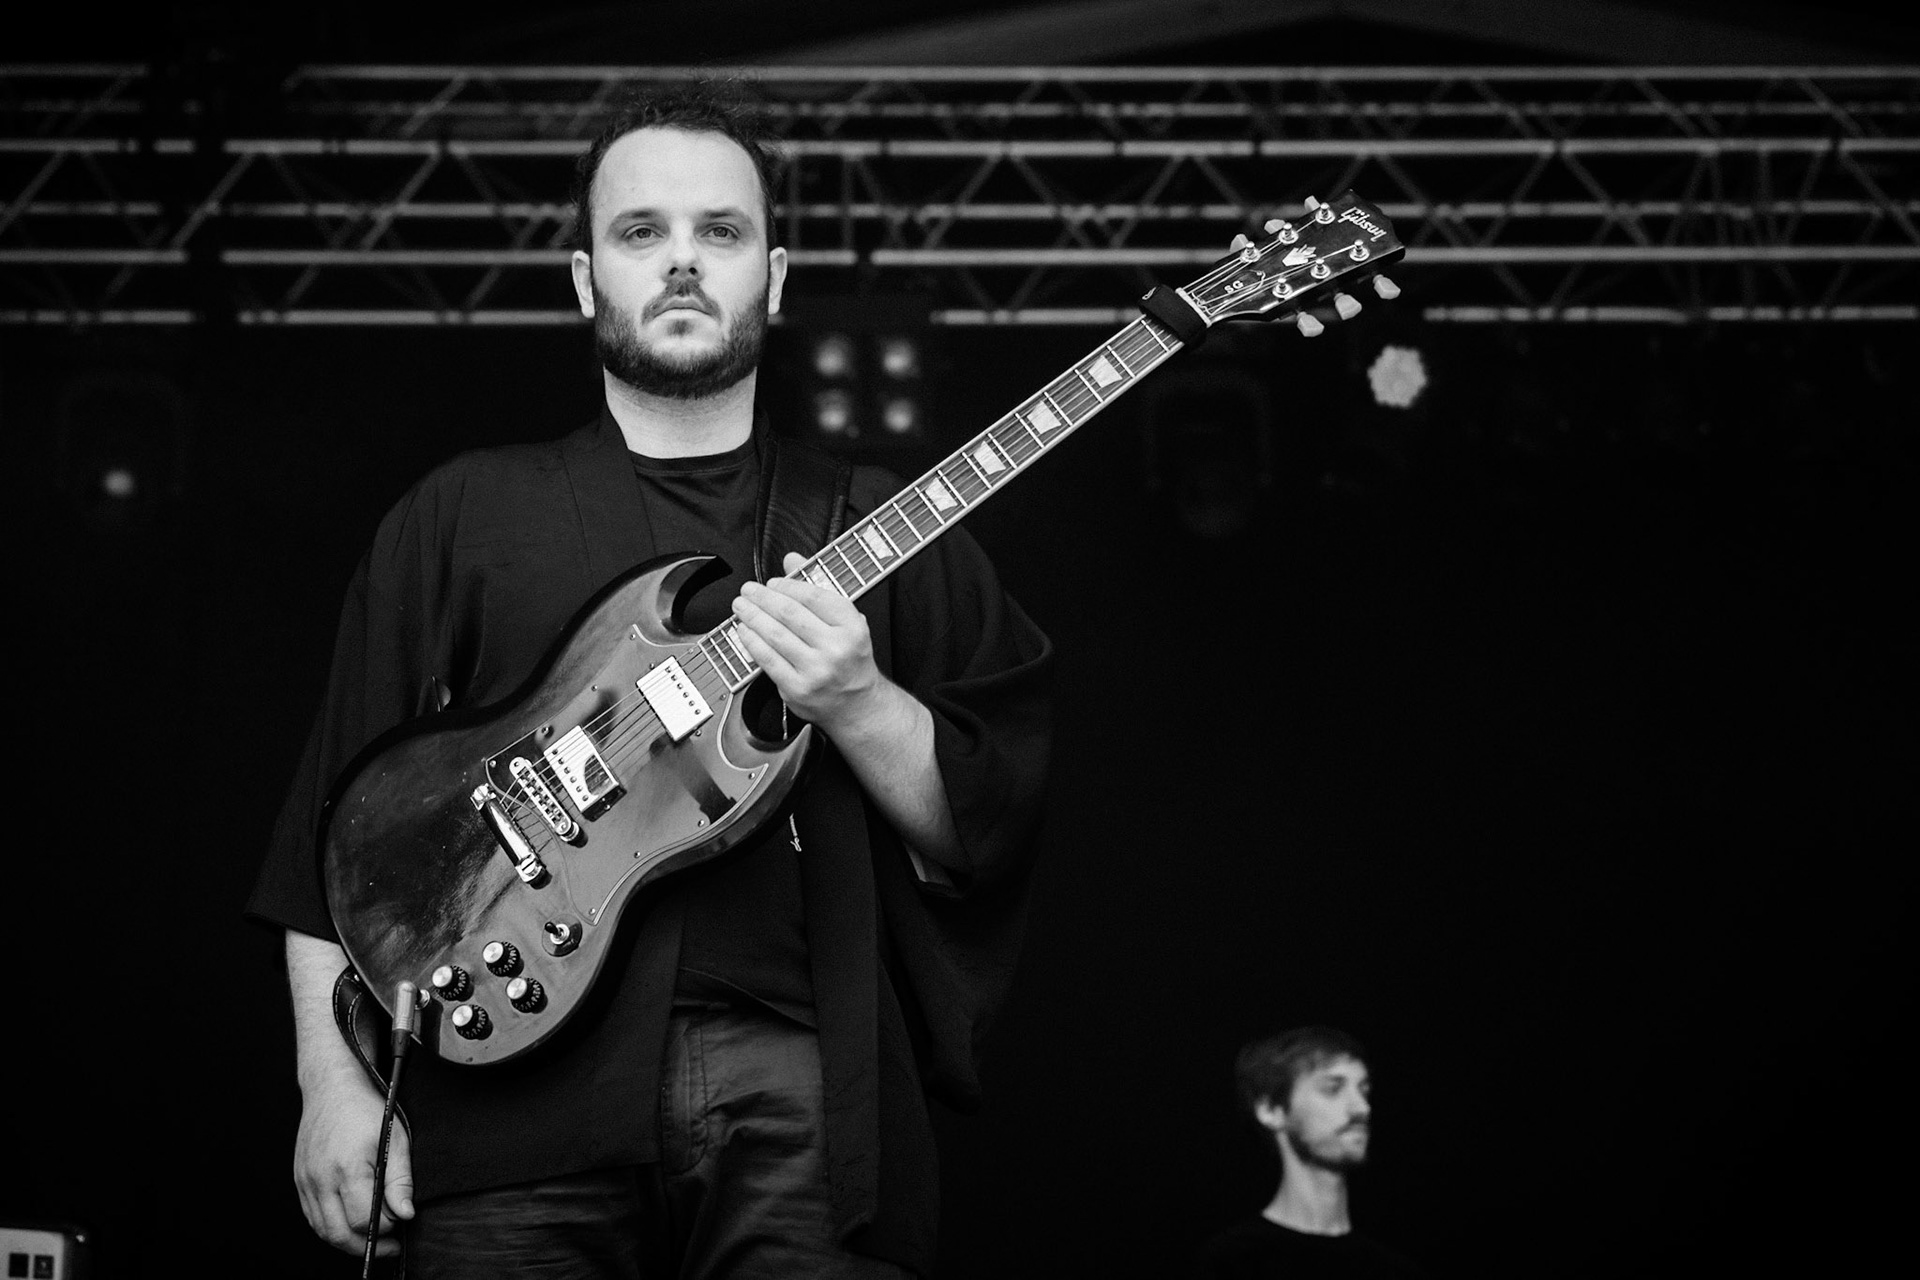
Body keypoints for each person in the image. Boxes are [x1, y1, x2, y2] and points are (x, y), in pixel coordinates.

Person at [247, 84, 1054, 1278]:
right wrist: (332, 1081)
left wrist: (860, 699)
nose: (683, 262)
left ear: (775, 279)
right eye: (642, 233)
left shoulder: (883, 526)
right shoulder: (465, 514)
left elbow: (984, 827)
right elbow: (334, 830)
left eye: (721, 232)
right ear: (586, 280)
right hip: (506, 1111)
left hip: (803, 1095)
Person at [1189, 1026, 1426, 1279]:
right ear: (1271, 1110)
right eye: (1333, 1088)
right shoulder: (1232, 1263)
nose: (1362, 1108)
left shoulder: (1397, 1270)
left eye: (1364, 1090)